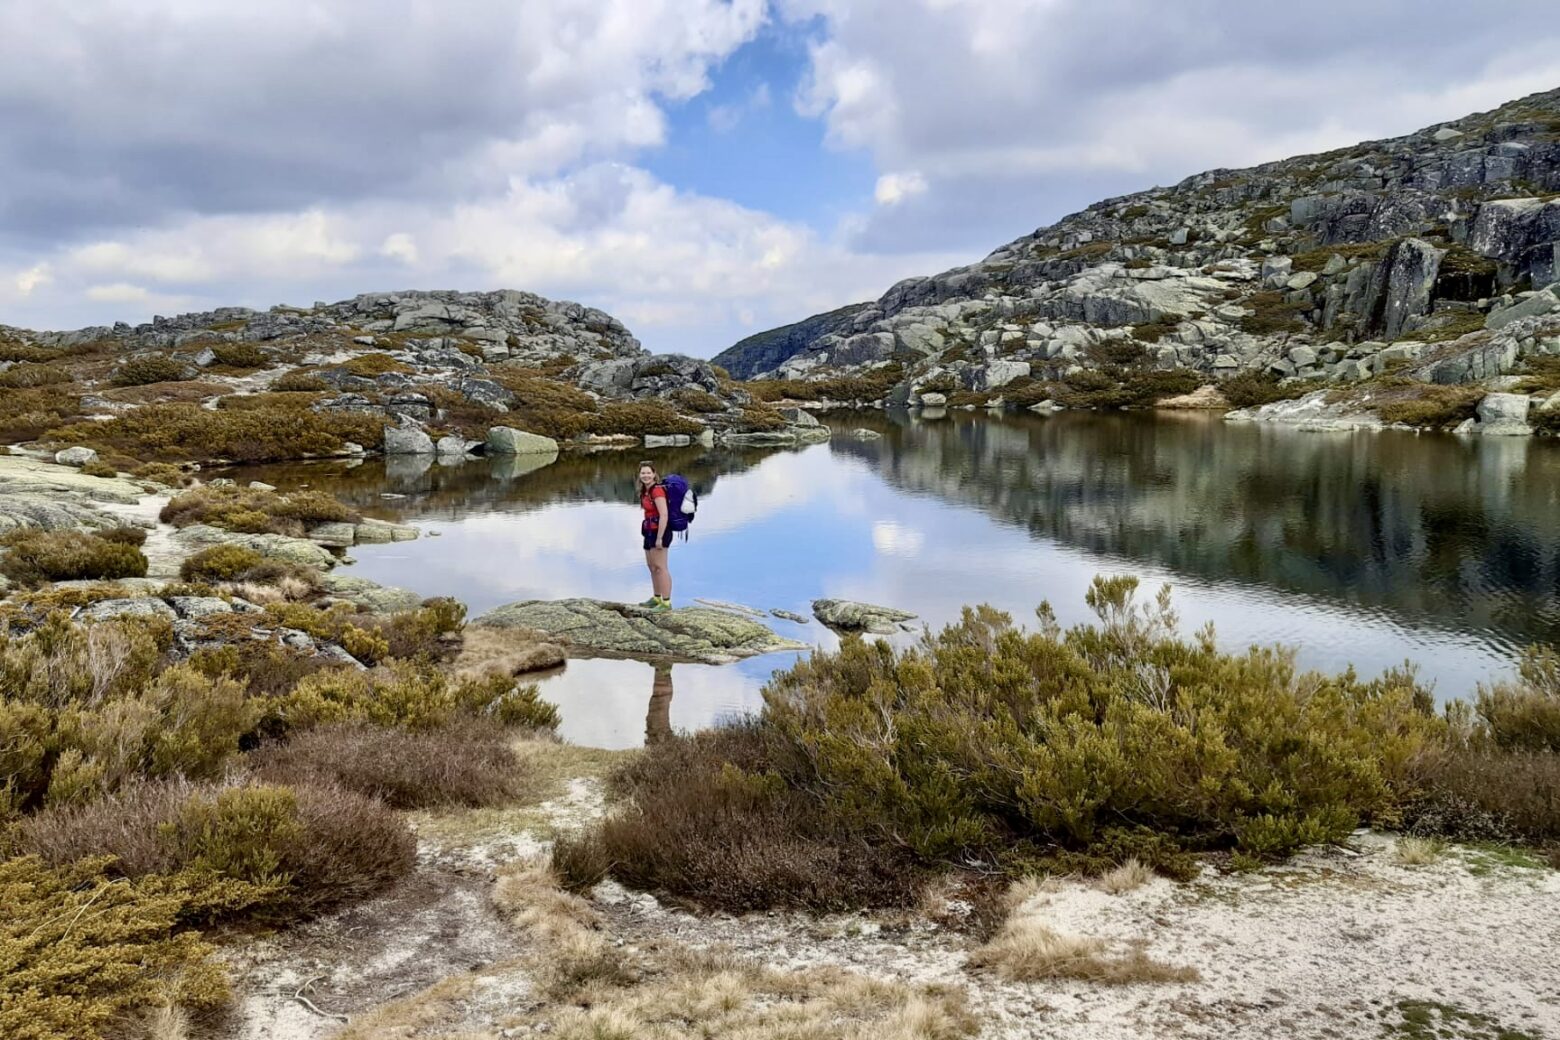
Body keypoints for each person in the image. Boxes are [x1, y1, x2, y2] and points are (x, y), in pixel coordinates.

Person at [637, 460, 673, 609]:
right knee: (652, 566)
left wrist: (659, 537)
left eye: (648, 473)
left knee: (661, 567)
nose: (645, 476)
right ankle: (656, 598)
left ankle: (666, 602)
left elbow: (664, 514)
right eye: (643, 473)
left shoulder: (657, 490)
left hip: (660, 532)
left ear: (654, 474)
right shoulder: (645, 491)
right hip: (648, 531)